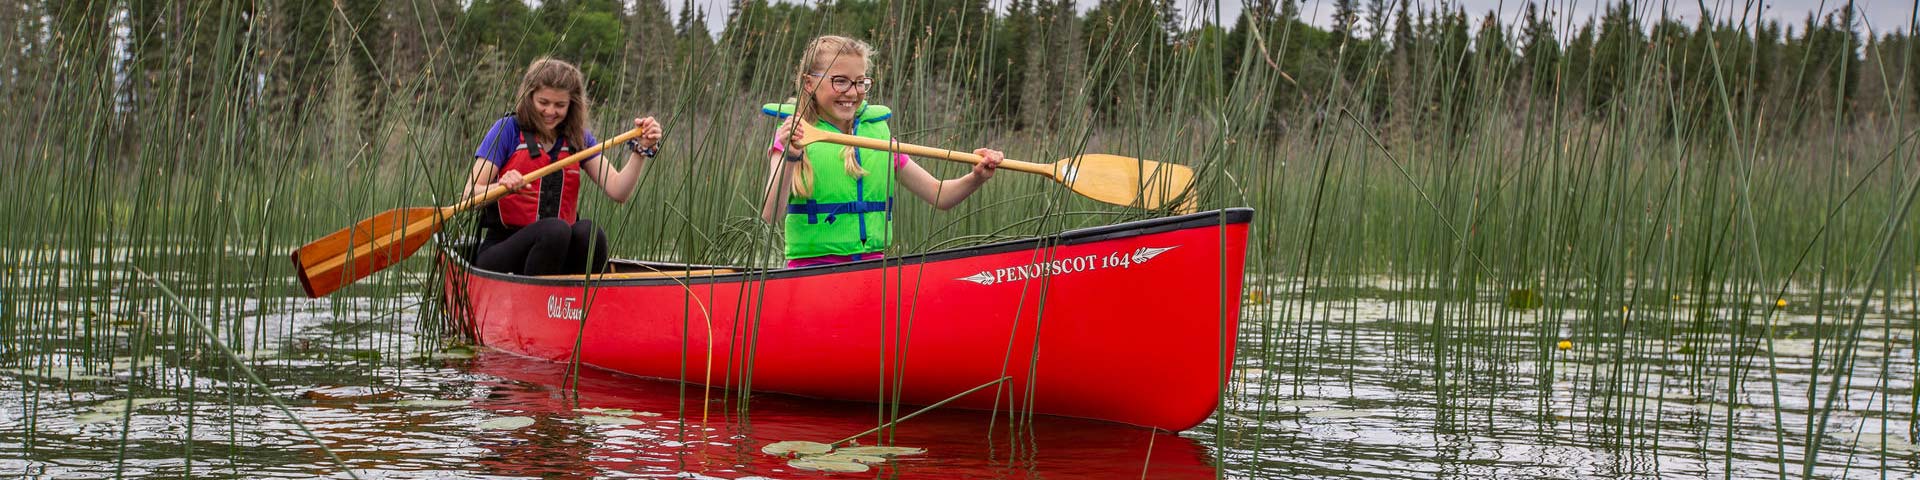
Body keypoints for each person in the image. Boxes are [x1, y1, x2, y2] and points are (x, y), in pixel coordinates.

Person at [758, 35, 1004, 268]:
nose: (852, 92)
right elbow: (771, 214)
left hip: (875, 270)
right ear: (809, 83)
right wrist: (791, 156)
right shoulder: (793, 134)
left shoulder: (877, 136)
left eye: (860, 82)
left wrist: (977, 177)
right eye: (840, 81)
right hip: (813, 272)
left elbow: (940, 196)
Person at [464, 58, 664, 275]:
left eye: (560, 105)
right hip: (503, 250)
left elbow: (618, 190)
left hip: (555, 252)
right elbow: (468, 196)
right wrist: (501, 186)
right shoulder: (507, 130)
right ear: (529, 97)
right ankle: (536, 300)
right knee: (555, 230)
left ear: (572, 105)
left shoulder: (578, 138)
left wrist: (640, 151)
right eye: (543, 102)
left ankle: (579, 304)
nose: (551, 111)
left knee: (590, 232)